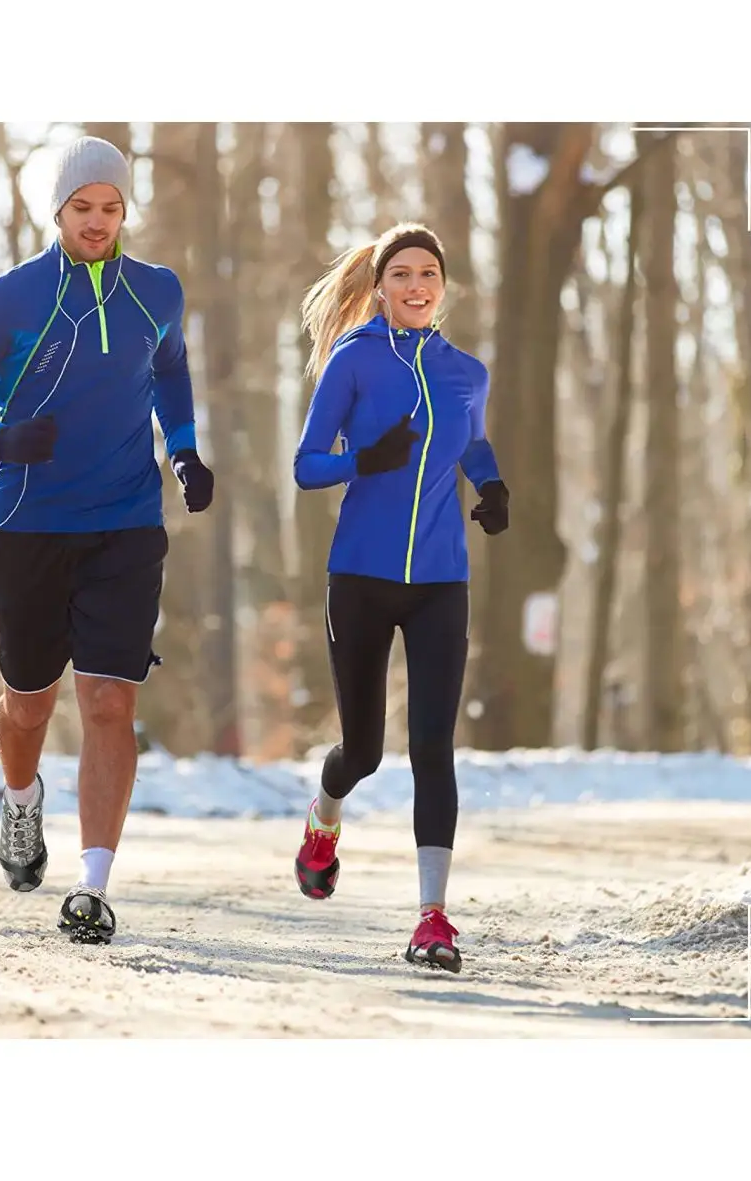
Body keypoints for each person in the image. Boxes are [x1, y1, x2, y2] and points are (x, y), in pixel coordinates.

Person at [0, 136, 214, 944]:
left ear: (128, 212)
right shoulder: (11, 298)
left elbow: (169, 369)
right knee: (29, 703)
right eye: (83, 208)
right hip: (27, 526)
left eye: (112, 208)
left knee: (110, 699)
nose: (98, 222)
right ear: (57, 211)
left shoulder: (157, 290)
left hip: (125, 522)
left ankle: (92, 886)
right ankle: (22, 806)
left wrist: (185, 447)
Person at [292, 222, 509, 973]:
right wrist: (363, 459)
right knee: (364, 751)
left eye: (428, 274)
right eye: (402, 275)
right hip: (360, 577)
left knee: (432, 749)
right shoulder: (353, 362)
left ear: (442, 285)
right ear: (380, 286)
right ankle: (324, 819)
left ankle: (433, 918)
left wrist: (492, 484)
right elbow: (306, 466)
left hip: (441, 582)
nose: (417, 286)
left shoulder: (465, 372)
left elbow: (471, 441)